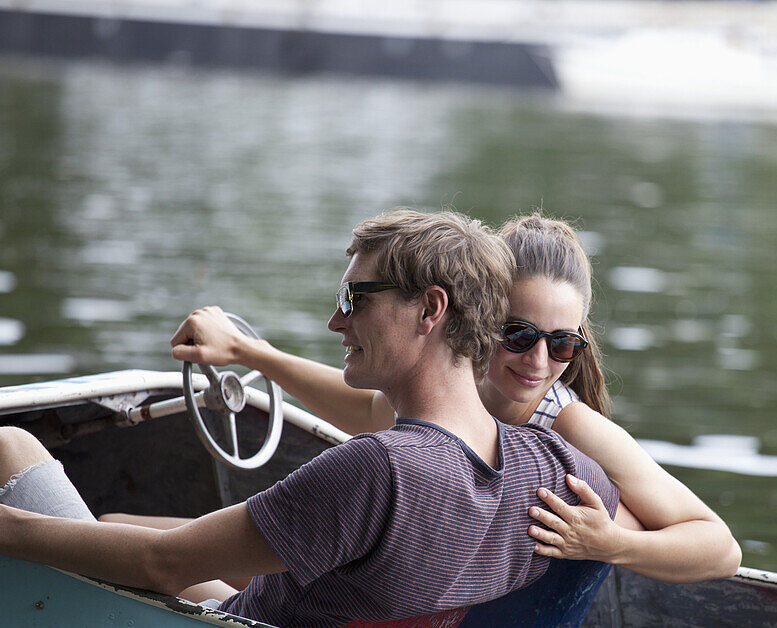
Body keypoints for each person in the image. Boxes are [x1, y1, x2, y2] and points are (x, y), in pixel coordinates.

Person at [0, 209, 620, 628]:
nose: (336, 321)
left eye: (356, 298)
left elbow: (164, 565)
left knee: (11, 447)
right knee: (113, 525)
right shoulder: (551, 471)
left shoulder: (378, 469)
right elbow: (638, 516)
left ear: (431, 309)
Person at [134, 214, 740, 583]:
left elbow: (720, 549)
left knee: (124, 533)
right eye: (518, 335)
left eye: (562, 346)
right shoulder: (449, 396)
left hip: (413, 602)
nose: (536, 362)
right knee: (131, 529)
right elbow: (363, 409)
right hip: (397, 584)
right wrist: (247, 354)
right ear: (477, 315)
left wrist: (613, 545)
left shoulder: (576, 431)